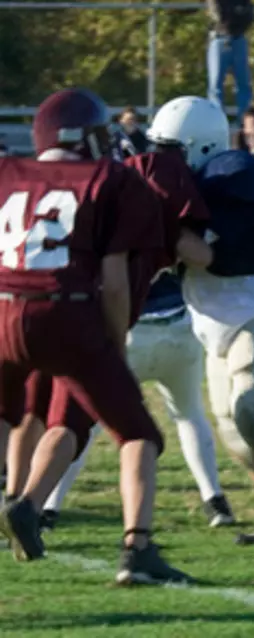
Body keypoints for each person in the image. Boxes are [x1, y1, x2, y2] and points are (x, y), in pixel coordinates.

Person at [0, 88, 192, 583]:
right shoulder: (112, 178)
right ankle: (138, 550)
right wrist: (113, 341)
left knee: (10, 415)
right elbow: (112, 277)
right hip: (68, 313)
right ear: (83, 136)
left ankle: (19, 498)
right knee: (137, 433)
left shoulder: (8, 174)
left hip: (4, 309)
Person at [148, 95, 254, 549]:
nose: (160, 161)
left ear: (200, 148)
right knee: (233, 429)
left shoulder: (235, 174)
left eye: (169, 151)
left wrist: (155, 217)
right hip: (221, 325)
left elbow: (203, 253)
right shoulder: (193, 182)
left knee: (251, 409)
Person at [39, 145, 234, 532]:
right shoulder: (175, 195)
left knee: (87, 422)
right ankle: (215, 500)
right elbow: (195, 252)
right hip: (177, 327)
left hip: (129, 329)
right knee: (189, 413)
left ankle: (47, 506)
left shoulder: (105, 202)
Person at [206, 0, 253, 123]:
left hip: (239, 38)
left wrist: (238, 24)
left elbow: (249, 13)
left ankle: (244, 121)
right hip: (219, 38)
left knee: (243, 83)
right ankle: (217, 120)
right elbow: (217, 13)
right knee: (216, 84)